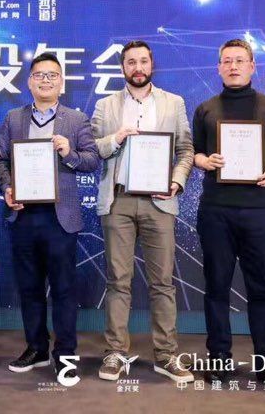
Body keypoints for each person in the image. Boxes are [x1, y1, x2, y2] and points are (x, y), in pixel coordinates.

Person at [191, 38, 265, 390]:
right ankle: (219, 360)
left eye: (240, 60)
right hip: (216, 211)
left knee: (261, 289)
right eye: (227, 61)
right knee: (216, 288)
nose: (233, 66)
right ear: (219, 68)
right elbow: (193, 152)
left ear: (253, 66)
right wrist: (203, 160)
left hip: (259, 211)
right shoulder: (206, 109)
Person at [90, 40, 195, 384]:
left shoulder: (173, 103)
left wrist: (176, 182)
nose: (138, 67)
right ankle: (115, 353)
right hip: (118, 201)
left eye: (143, 61)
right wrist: (117, 138)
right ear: (123, 67)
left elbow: (186, 150)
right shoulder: (106, 105)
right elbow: (92, 149)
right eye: (131, 62)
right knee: (118, 281)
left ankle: (166, 355)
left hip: (159, 201)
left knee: (162, 282)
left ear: (152, 65)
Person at [0, 53, 99, 380]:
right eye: (39, 75)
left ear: (61, 82)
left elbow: (92, 160)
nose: (45, 80)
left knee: (64, 289)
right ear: (29, 81)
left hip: (60, 217)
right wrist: (8, 187)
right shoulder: (14, 118)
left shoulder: (76, 120)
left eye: (52, 75)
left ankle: (65, 354)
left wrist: (69, 152)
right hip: (23, 214)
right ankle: (36, 348)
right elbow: (1, 159)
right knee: (29, 287)